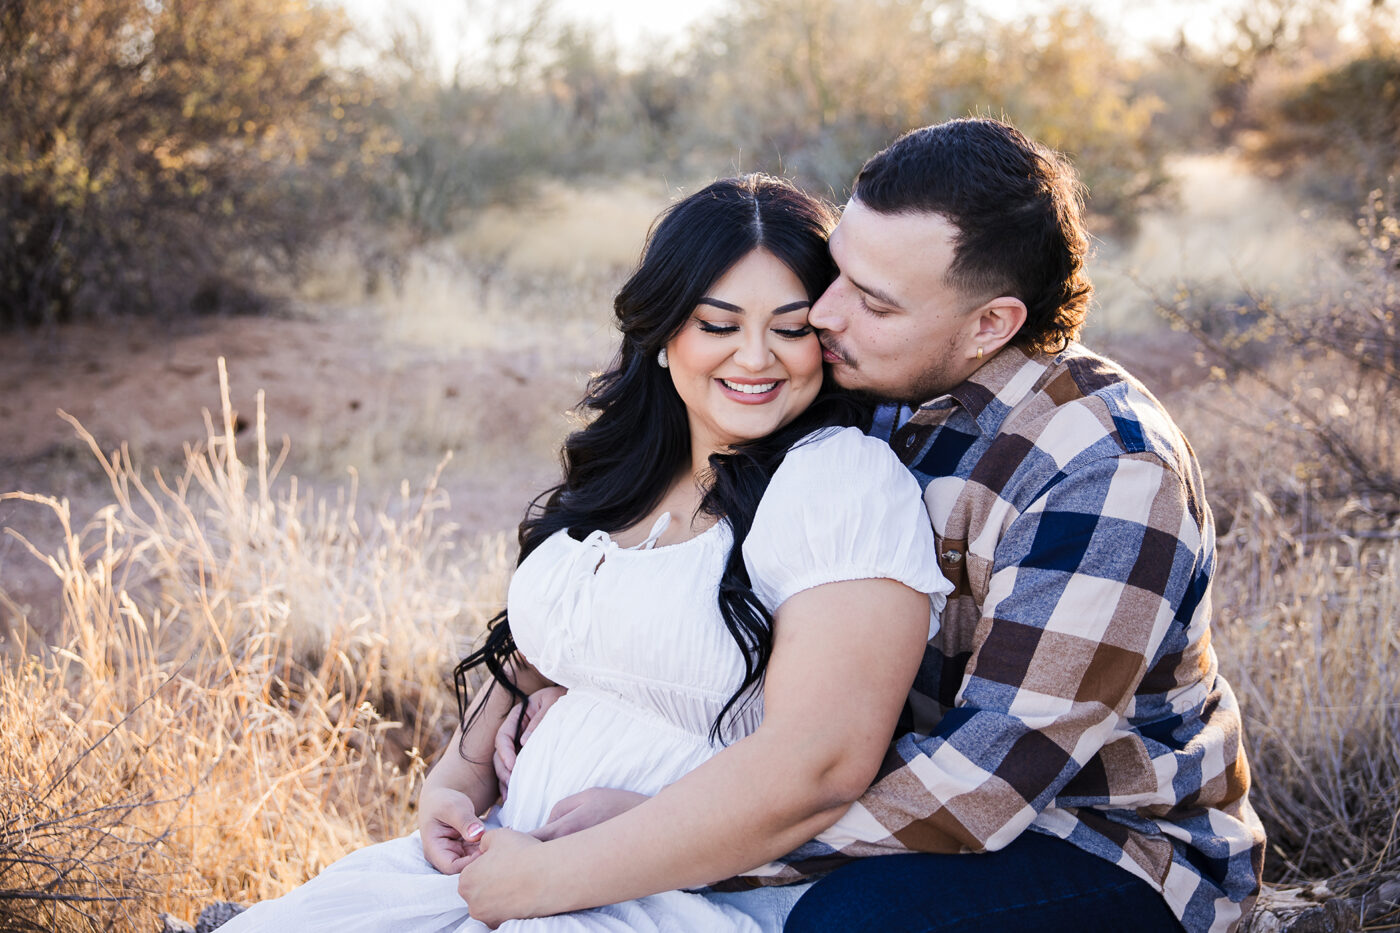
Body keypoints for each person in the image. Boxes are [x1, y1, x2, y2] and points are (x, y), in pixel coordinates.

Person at [502, 119, 1267, 933]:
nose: (823, 314)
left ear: (989, 325)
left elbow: (984, 789)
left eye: (871, 301)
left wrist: (678, 825)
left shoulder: (1105, 472)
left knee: (849, 923)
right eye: (839, 274)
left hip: (1099, 845)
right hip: (871, 786)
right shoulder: (866, 376)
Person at [215, 174, 953, 932]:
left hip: (677, 895)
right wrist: (453, 788)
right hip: (502, 865)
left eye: (791, 327)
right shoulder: (628, 477)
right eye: (718, 324)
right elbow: (542, 649)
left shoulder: (838, 480)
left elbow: (821, 764)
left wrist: (560, 873)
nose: (756, 357)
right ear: (666, 336)